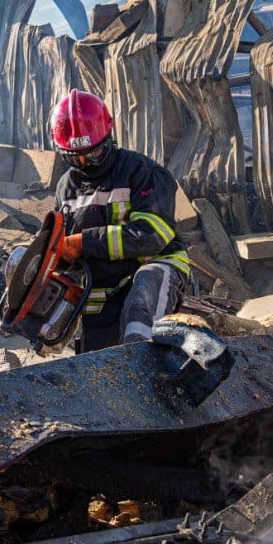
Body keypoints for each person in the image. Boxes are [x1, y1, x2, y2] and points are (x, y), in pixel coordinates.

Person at [49, 89, 189, 353]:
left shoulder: (141, 171)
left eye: (93, 154)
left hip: (152, 267)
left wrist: (83, 242)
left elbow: (151, 236)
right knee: (97, 364)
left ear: (109, 138)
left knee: (140, 311)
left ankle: (143, 366)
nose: (85, 163)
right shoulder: (65, 187)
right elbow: (63, 248)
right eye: (74, 157)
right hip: (102, 288)